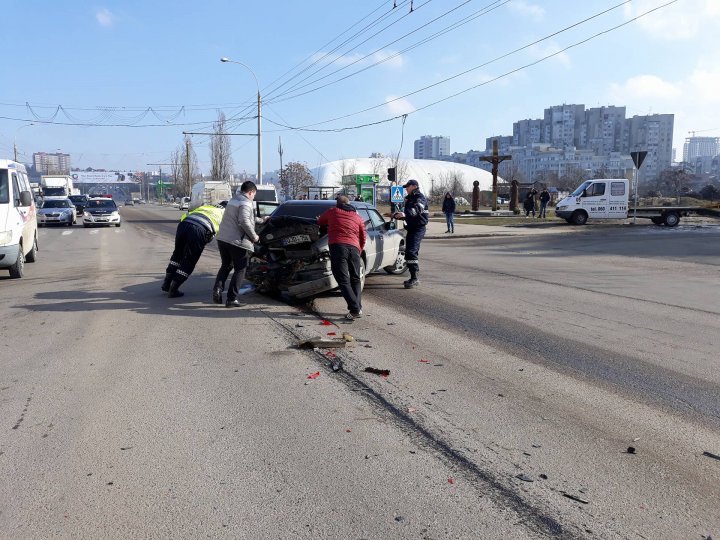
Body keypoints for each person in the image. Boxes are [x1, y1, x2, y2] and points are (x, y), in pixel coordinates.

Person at [213, 181, 268, 307]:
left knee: (226, 266)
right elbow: (243, 220)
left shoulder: (234, 200)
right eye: (254, 194)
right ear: (250, 192)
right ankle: (232, 299)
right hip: (236, 242)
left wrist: (262, 220)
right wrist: (254, 237)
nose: (254, 197)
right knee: (241, 269)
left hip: (223, 238)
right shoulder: (246, 202)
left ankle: (217, 290)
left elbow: (248, 218)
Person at [317, 195, 367, 319]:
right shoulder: (357, 217)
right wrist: (359, 249)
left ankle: (355, 308)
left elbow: (319, 222)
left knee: (343, 279)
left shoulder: (332, 212)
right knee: (355, 278)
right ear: (349, 204)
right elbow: (363, 236)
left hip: (338, 247)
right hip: (354, 248)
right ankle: (357, 308)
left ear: (337, 204)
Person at [162, 203, 224, 298]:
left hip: (184, 224)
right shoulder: (225, 212)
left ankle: (166, 284)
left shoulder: (207, 206)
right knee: (189, 260)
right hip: (200, 228)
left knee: (177, 255)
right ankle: (173, 289)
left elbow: (186, 214)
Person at [390, 179, 428, 289]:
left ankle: (415, 278)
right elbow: (408, 214)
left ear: (414, 186)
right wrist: (397, 215)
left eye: (408, 186)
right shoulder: (410, 198)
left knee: (411, 252)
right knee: (409, 252)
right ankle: (413, 277)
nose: (406, 188)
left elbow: (416, 209)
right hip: (411, 228)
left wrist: (405, 213)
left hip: (418, 228)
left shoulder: (419, 197)